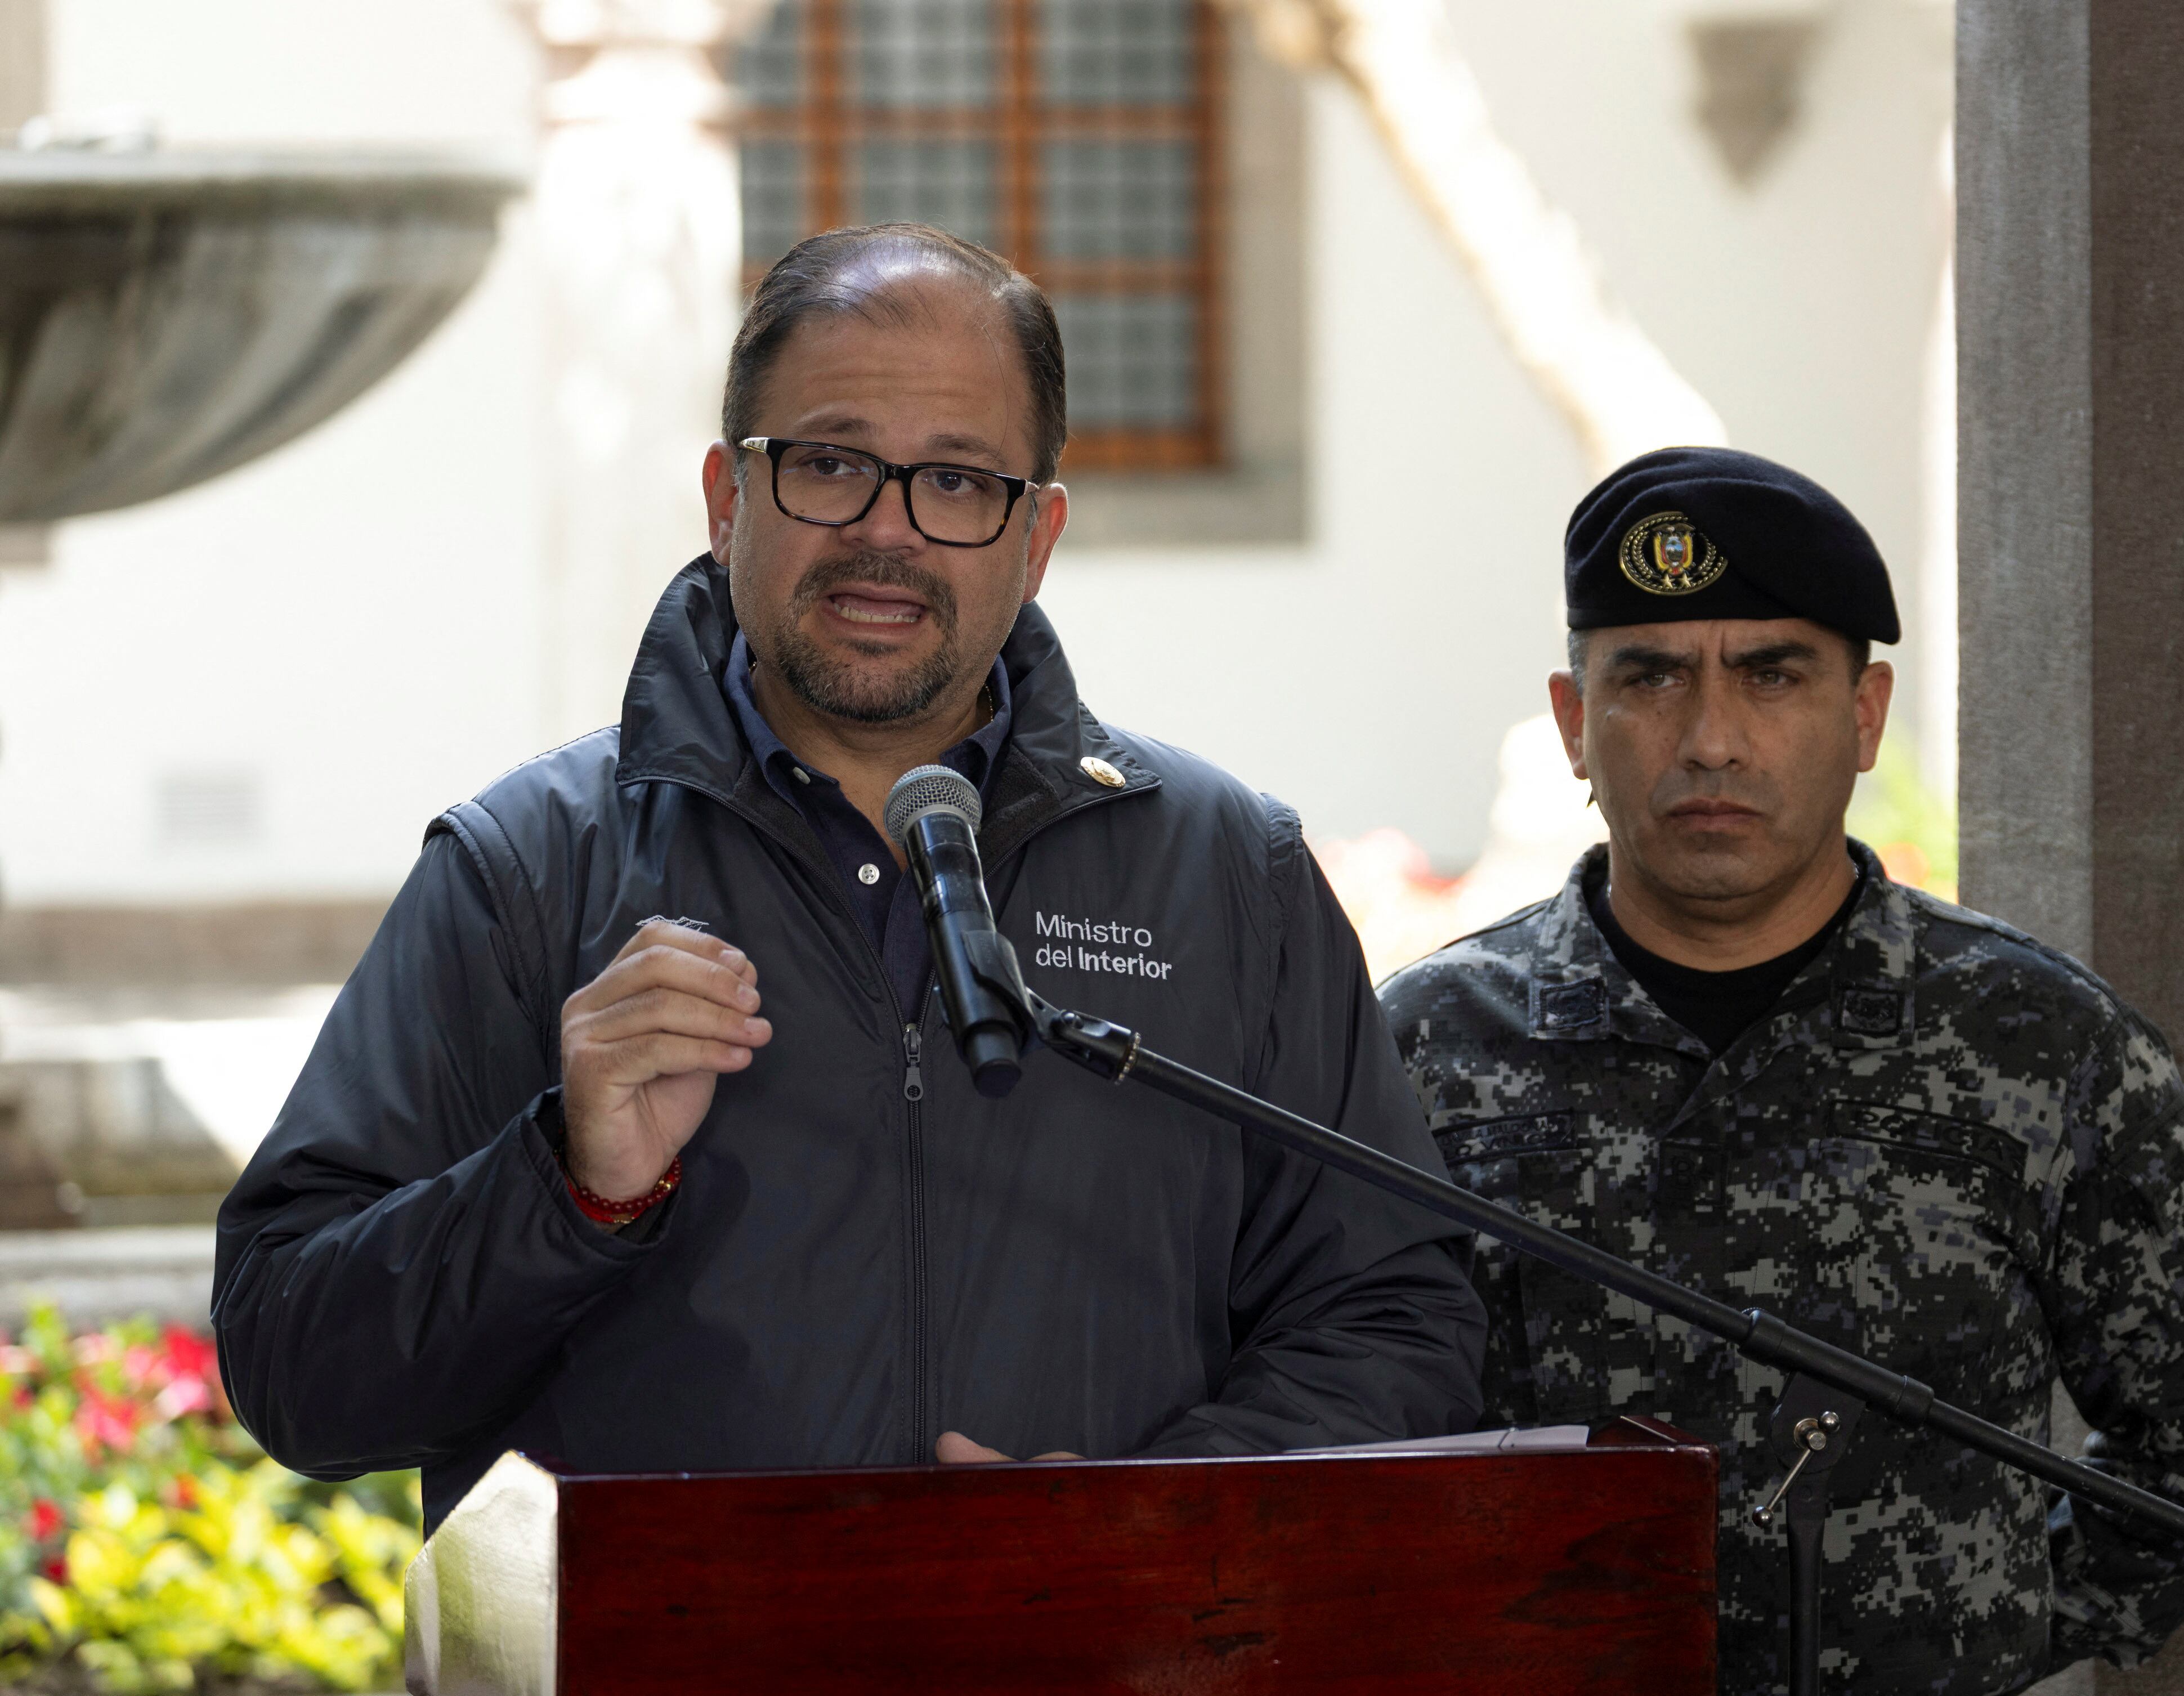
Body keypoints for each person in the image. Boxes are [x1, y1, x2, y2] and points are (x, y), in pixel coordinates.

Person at [214, 223, 1483, 1531]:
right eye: (829, 463)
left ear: (1036, 535)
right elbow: (293, 1375)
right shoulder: (528, 870)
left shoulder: (1229, 870)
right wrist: (567, 1185)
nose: (888, 532)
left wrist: (1158, 1512)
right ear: (727, 499)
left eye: (957, 481)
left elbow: (1398, 1317)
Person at [1377, 448, 2184, 1696]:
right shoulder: (1426, 1048)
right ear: (1573, 723)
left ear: (1865, 717)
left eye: (1773, 676)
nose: (1712, 739)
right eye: (1651, 678)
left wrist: (1990, 1622)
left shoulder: (2035, 1041)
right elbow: (1327, 1427)